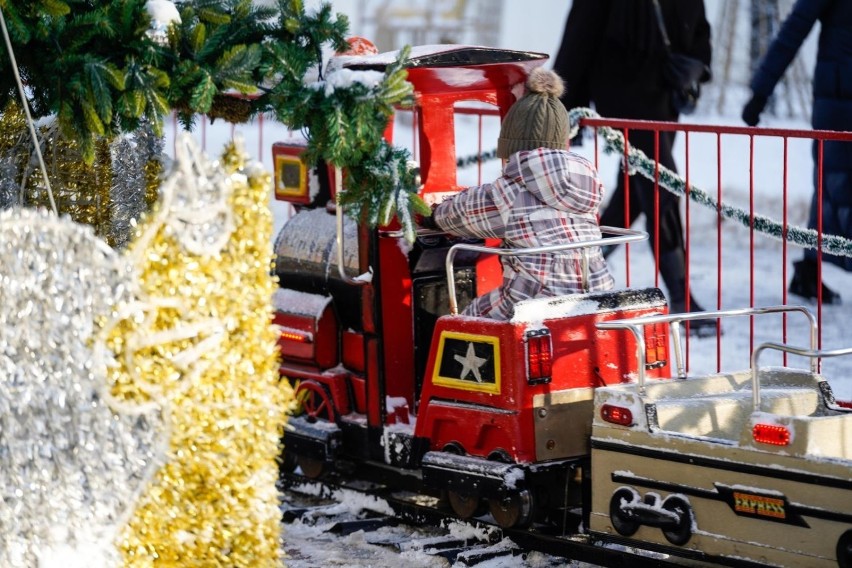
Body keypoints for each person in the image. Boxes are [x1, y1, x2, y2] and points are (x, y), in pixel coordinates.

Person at [553, 0, 715, 334]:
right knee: (660, 185)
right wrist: (564, 107)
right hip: (623, 92)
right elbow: (580, 37)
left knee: (636, 193)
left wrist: (698, 65)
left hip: (666, 94)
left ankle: (575, 271)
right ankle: (682, 297)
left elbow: (698, 26)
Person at [423, 68, 614, 320]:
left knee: (465, 322)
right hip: (593, 298)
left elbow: (461, 214)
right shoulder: (586, 183)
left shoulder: (510, 191)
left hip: (534, 302)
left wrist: (434, 215)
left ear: (514, 150)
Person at [742, 0, 850, 305]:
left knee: (831, 188)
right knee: (834, 186)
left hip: (837, 97)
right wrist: (760, 92)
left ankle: (809, 271)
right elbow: (795, 29)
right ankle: (809, 271)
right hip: (839, 102)